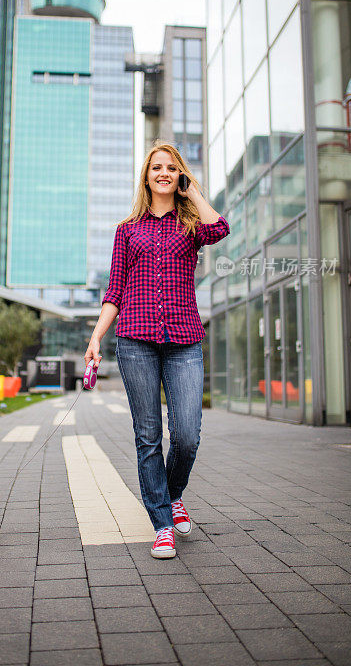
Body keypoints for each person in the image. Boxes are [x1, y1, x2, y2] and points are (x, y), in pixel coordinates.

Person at [84, 141, 230, 559]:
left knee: (186, 435)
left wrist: (192, 190)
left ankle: (172, 493)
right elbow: (114, 291)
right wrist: (96, 338)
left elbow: (220, 229)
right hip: (135, 342)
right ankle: (163, 523)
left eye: (171, 168)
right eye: (156, 168)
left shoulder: (192, 225)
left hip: (184, 341)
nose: (163, 173)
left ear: (178, 174)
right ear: (145, 177)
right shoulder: (127, 229)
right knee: (148, 437)